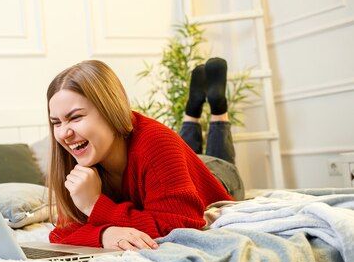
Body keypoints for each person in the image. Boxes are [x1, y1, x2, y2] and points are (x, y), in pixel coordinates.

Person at [46, 58, 244, 251]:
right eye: (56, 122)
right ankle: (192, 113)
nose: (64, 133)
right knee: (186, 147)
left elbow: (179, 228)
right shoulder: (76, 157)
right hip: (173, 169)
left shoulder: (156, 141)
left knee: (212, 156)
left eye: (76, 117)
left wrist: (94, 204)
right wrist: (104, 234)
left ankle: (217, 111)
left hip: (217, 174)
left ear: (110, 110)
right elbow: (60, 235)